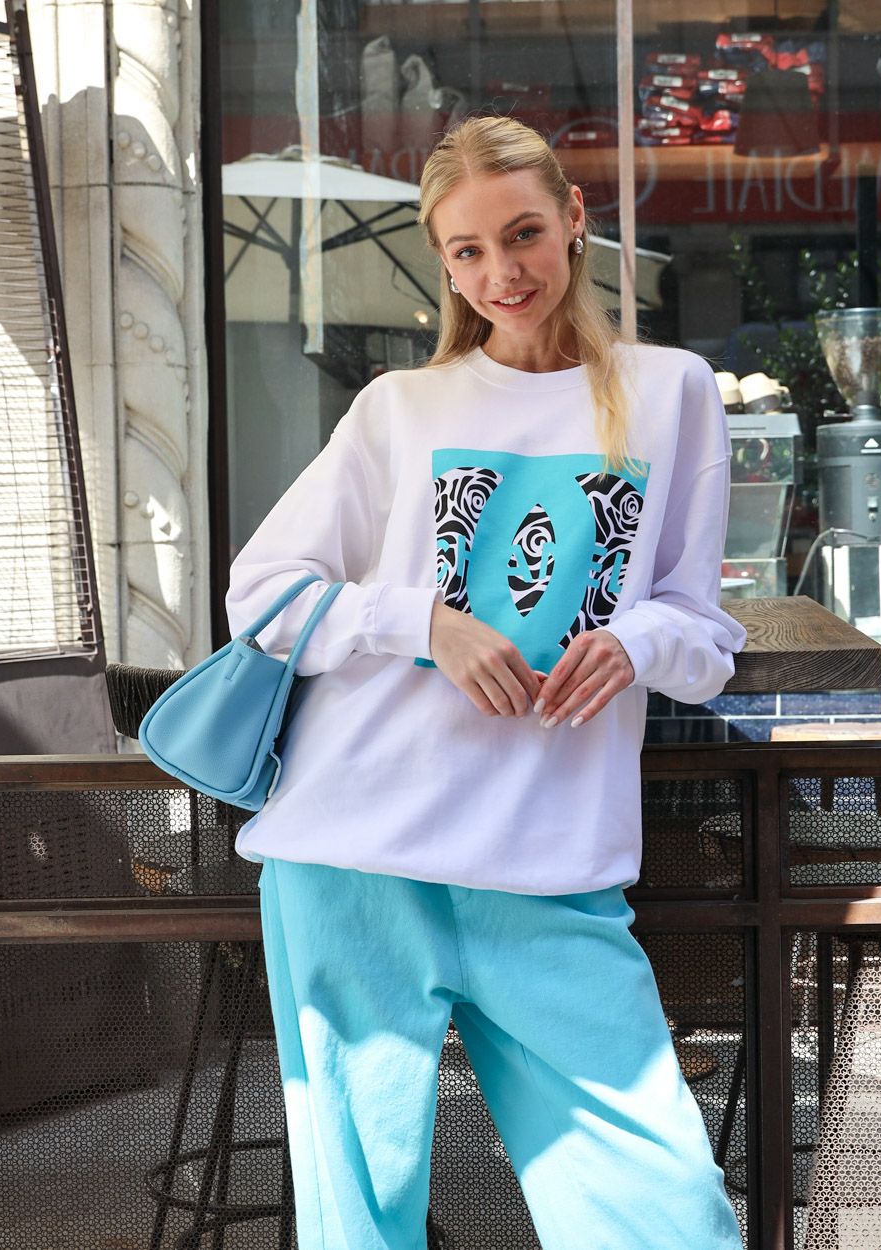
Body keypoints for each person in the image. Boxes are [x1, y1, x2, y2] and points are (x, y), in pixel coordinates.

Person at [226, 114, 747, 1250]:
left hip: (551, 866)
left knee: (667, 1218)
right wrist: (425, 624)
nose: (502, 271)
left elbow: (704, 637)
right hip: (355, 858)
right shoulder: (400, 409)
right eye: (468, 249)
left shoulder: (671, 391)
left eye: (522, 234)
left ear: (574, 220)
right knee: (359, 1225)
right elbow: (260, 597)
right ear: (445, 263)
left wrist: (638, 641)